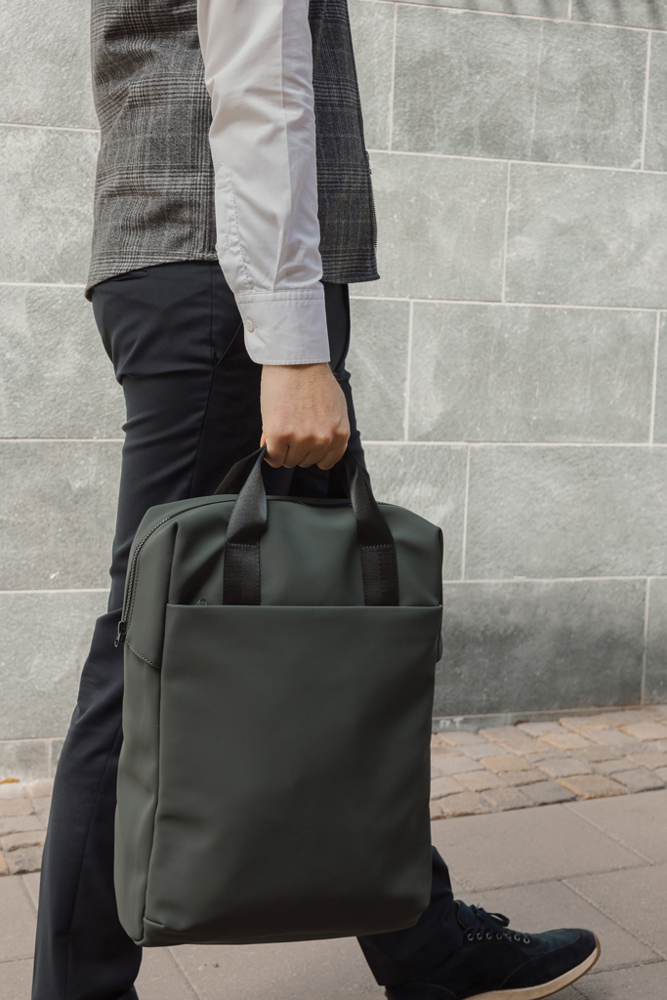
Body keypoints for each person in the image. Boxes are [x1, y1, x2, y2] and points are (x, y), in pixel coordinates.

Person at [31, 1, 601, 997]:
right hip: (230, 285)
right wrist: (292, 344)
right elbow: (259, 84)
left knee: (325, 624)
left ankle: (423, 944)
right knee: (145, 651)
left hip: (199, 272)